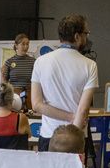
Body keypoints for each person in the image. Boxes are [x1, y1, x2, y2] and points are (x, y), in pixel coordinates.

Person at [30, 14, 98, 151]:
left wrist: (69, 117)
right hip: (76, 136)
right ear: (77, 37)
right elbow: (83, 109)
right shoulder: (90, 65)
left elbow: (36, 105)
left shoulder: (40, 62)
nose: (87, 37)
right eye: (86, 33)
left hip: (49, 135)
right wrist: (73, 120)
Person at [1, 33, 35, 109]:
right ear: (16, 45)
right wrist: (2, 75)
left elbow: (38, 80)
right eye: (23, 44)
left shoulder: (33, 61)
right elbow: (4, 83)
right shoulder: (9, 62)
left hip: (30, 95)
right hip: (14, 96)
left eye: (27, 44)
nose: (26, 47)